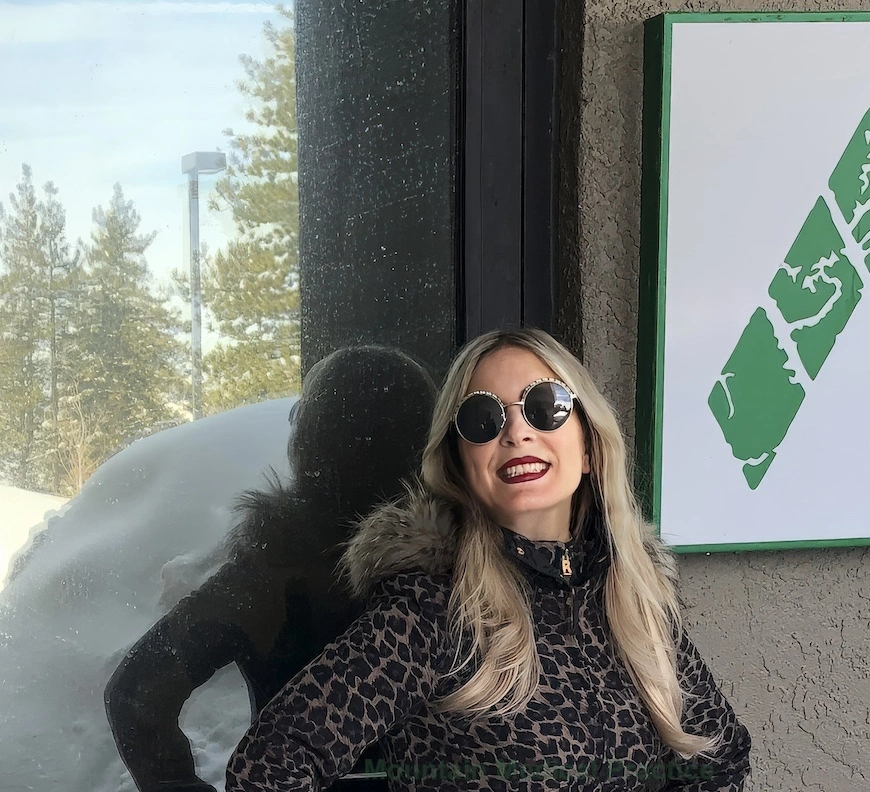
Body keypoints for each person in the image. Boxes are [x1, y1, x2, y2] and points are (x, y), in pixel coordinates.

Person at [225, 328, 753, 791]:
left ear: (590, 444)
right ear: (459, 462)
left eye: (546, 407)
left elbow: (720, 758)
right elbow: (269, 767)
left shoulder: (634, 597)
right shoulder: (433, 610)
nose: (517, 432)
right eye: (483, 417)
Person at [105, 345, 436, 792]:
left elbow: (136, 695)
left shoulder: (272, 574)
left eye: (300, 418)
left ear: (311, 443)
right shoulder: (471, 566)